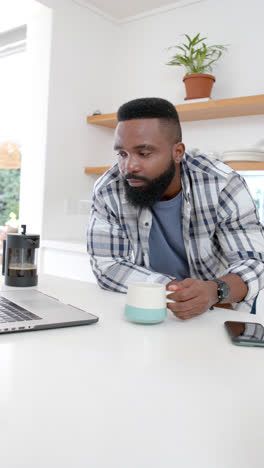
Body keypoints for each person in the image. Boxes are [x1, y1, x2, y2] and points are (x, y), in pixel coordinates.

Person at [87, 97, 264, 320]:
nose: (129, 166)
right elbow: (108, 265)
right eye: (122, 153)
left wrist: (213, 291)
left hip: (221, 309)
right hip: (154, 309)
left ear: (178, 152)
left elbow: (254, 263)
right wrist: (176, 290)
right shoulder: (109, 190)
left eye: (144, 153)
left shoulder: (222, 183)